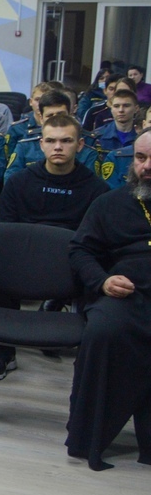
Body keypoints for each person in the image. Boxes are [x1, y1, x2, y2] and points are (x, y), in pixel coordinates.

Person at [0, 114, 109, 380]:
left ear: (80, 145)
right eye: (51, 141)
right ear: (41, 144)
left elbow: (96, 241)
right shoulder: (19, 182)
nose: (58, 147)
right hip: (19, 262)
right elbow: (3, 232)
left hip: (69, 268)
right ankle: (4, 349)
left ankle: (86, 365)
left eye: (66, 141)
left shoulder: (97, 190)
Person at [66, 130, 151, 470]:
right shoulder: (109, 203)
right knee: (104, 332)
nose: (146, 167)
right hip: (124, 294)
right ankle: (90, 439)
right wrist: (102, 281)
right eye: (140, 158)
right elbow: (80, 249)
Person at [6, 90, 98, 181]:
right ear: (41, 119)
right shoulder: (25, 147)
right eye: (50, 115)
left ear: (70, 115)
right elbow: (11, 182)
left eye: (60, 115)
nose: (56, 119)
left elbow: (92, 185)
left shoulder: (87, 147)